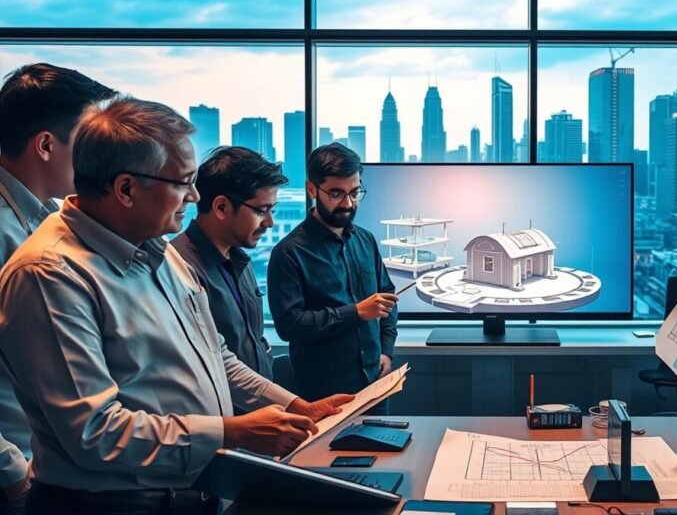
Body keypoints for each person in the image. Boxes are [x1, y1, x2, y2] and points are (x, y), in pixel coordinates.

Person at [0, 97, 353, 515]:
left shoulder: (158, 250)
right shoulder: (51, 274)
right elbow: (95, 434)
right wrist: (230, 433)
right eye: (183, 182)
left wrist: (296, 406)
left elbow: (214, 354)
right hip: (112, 507)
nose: (196, 195)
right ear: (126, 188)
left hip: (194, 494)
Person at [0, 63, 116, 514]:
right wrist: (11, 474)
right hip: (17, 473)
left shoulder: (49, 218)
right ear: (46, 144)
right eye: (88, 143)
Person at [268, 142, 398, 407]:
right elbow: (289, 325)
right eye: (336, 194)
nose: (348, 203)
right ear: (312, 189)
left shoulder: (366, 240)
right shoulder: (289, 253)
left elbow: (388, 296)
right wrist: (357, 312)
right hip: (323, 397)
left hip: (375, 384)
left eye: (355, 192)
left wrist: (386, 350)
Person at [171, 146, 287, 383]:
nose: (270, 222)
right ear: (221, 207)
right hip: (222, 417)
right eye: (261, 210)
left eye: (272, 210)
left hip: (261, 412)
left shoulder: (239, 260)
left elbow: (252, 340)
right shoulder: (178, 267)